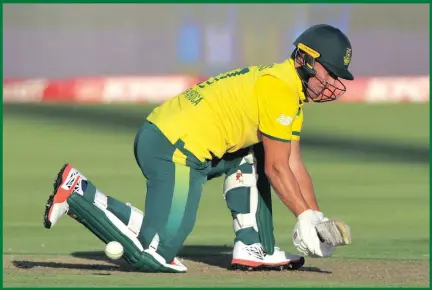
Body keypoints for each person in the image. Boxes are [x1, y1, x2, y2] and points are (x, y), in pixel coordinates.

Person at [43, 24, 354, 273]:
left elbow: (292, 162)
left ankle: (255, 246)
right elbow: (276, 168)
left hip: (188, 146)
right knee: (155, 255)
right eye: (330, 72)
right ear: (306, 59)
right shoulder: (278, 87)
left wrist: (315, 217)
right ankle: (77, 194)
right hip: (172, 146)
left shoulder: (290, 93)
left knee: (251, 153)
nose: (335, 84)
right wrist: (301, 216)